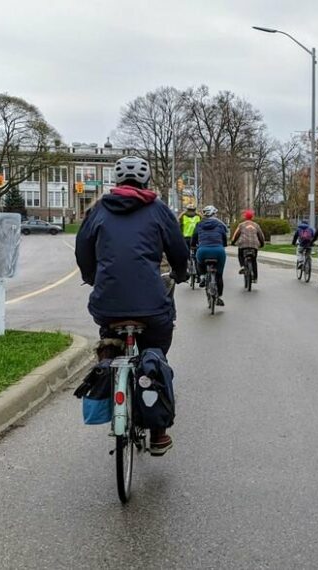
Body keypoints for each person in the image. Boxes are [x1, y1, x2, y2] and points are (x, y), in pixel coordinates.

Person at [75, 155, 188, 456]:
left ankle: (108, 354)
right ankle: (159, 432)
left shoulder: (98, 209)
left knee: (108, 327)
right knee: (157, 347)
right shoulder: (158, 209)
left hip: (107, 303)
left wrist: (92, 277)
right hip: (151, 304)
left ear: (116, 180)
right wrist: (181, 272)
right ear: (146, 180)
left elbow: (83, 249)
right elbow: (178, 247)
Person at [191, 205, 229, 306]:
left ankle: (202, 276)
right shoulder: (219, 224)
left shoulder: (199, 224)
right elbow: (224, 238)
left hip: (203, 250)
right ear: (214, 214)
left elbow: (194, 237)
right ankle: (219, 296)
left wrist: (192, 246)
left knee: (199, 262)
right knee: (219, 275)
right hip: (218, 251)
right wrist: (223, 245)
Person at [231, 209, 265, 282]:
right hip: (254, 245)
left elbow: (236, 235)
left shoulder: (241, 225)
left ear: (245, 217)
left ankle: (243, 266)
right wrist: (262, 244)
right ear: (252, 217)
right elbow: (261, 236)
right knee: (254, 260)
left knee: (240, 255)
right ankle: (255, 278)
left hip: (243, 244)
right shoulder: (256, 225)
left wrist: (233, 242)